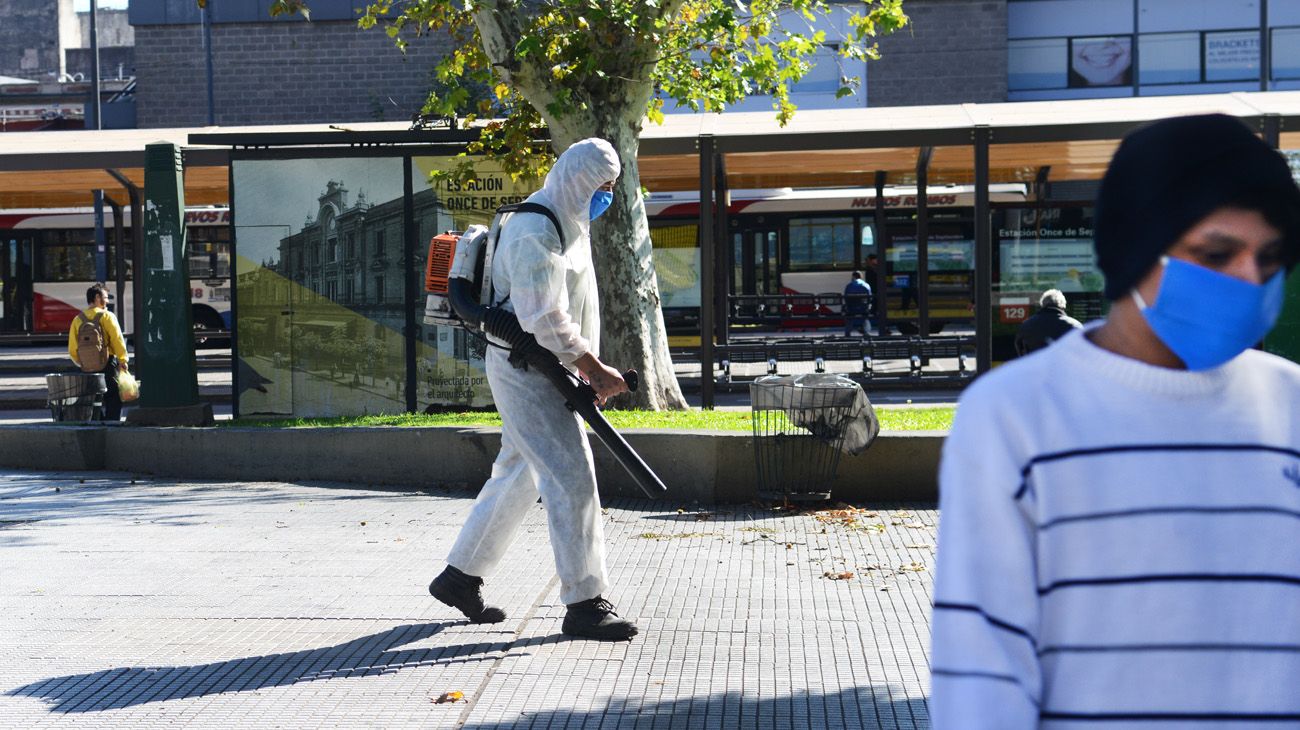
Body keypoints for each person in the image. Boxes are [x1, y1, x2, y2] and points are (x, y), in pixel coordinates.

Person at [929, 114, 1300, 727]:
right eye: (1216, 253)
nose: (1249, 279)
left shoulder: (1291, 405)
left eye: (1270, 257)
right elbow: (982, 675)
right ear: (1134, 245)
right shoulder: (1013, 416)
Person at [427, 139, 638, 641]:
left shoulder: (568, 222)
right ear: (576, 181)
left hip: (544, 368)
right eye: (601, 188)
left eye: (610, 189)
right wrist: (594, 367)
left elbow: (566, 308)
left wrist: (583, 369)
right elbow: (543, 319)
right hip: (528, 369)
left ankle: (459, 577)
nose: (605, 197)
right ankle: (585, 604)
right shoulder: (534, 230)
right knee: (572, 478)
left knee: (519, 473)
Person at [67, 283, 130, 421]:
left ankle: (97, 424)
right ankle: (111, 426)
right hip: (108, 364)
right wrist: (123, 360)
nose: (107, 301)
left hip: (86, 368)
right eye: (105, 297)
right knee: (113, 396)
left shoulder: (77, 320)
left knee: (93, 399)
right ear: (97, 297)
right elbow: (117, 340)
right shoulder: (107, 316)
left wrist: (85, 362)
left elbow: (72, 349)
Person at [1013, 288, 1082, 356]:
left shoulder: (1026, 325)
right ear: (1063, 305)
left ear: (1042, 304)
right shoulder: (1075, 326)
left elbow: (1020, 348)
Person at [842, 270, 872, 337]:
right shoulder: (866, 285)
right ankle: (866, 332)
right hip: (863, 309)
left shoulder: (849, 286)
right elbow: (870, 298)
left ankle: (847, 332)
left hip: (851, 309)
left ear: (853, 277)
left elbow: (846, 298)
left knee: (849, 316)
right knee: (865, 317)